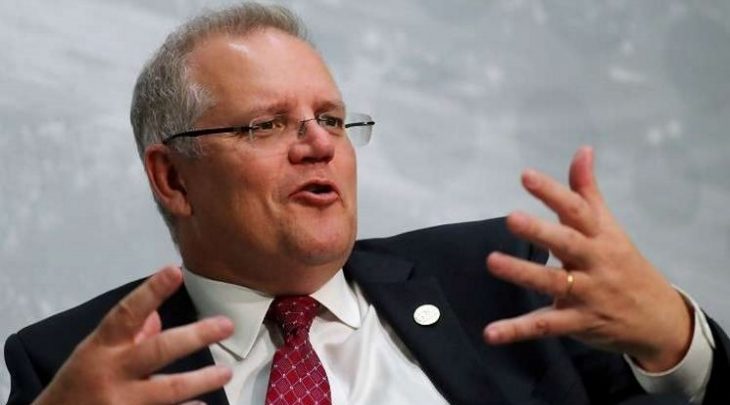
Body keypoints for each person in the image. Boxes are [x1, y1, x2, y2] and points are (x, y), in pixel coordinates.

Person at [4, 3, 729, 405]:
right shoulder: (74, 369)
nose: (320, 144)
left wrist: (678, 344)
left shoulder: (503, 281)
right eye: (268, 124)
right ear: (172, 178)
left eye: (331, 117)